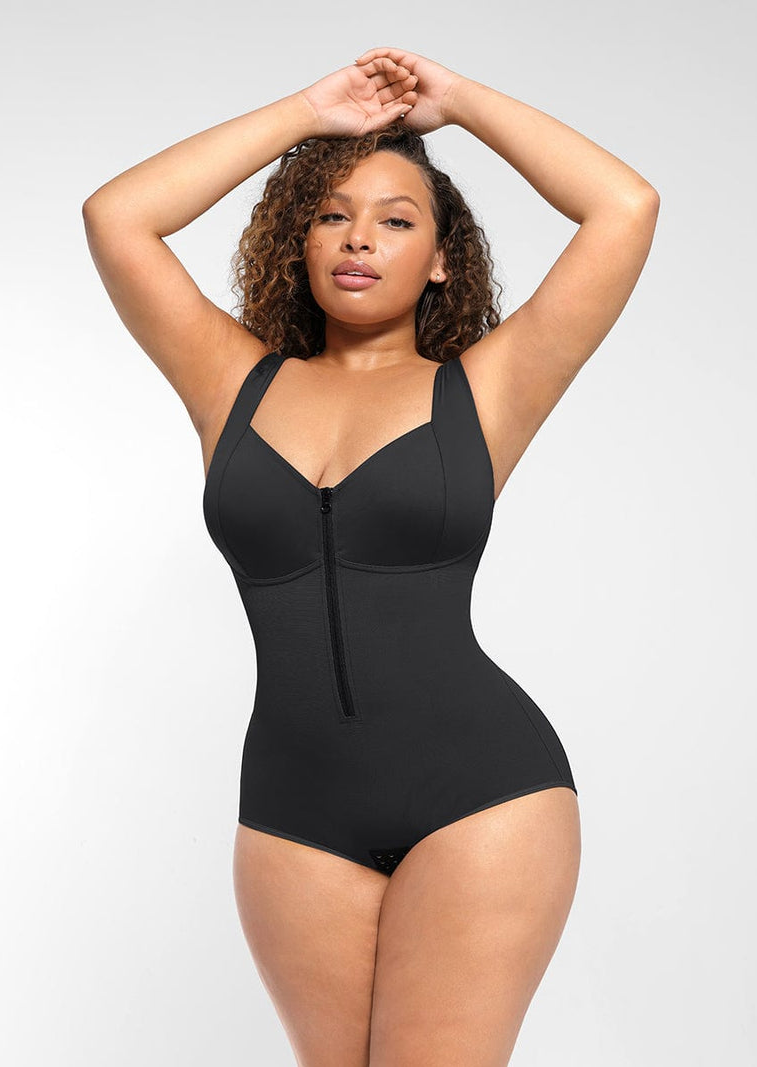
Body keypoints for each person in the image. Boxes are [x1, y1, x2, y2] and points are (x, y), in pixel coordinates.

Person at [83, 45, 659, 1067]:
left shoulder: (485, 390)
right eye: (331, 214)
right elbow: (117, 215)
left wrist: (458, 102)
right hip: (292, 812)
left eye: (397, 220)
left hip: (482, 794)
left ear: (441, 258)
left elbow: (623, 205)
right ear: (297, 241)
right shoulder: (230, 383)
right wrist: (311, 112)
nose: (359, 238)